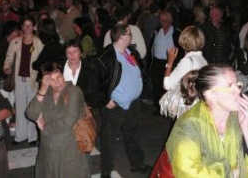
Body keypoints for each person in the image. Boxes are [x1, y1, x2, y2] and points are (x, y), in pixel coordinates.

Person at [166, 65, 248, 178]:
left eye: (237, 84)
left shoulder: (241, 117)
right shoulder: (189, 124)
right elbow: (188, 171)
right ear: (211, 94)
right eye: (229, 86)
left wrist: (246, 130)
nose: (238, 90)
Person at [90, 24, 150, 178]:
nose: (131, 36)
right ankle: (105, 172)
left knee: (132, 135)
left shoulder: (131, 52)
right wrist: (105, 102)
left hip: (133, 103)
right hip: (115, 106)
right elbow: (95, 83)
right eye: (129, 34)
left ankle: (137, 164)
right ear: (122, 37)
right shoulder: (106, 57)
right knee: (109, 140)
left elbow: (140, 71)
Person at [26, 62, 90, 178]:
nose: (57, 82)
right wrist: (43, 89)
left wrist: (44, 127)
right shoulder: (47, 93)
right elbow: (30, 113)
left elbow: (67, 121)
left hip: (69, 150)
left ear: (63, 75)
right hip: (48, 151)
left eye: (59, 76)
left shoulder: (74, 92)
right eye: (51, 80)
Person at [3, 15, 43, 145]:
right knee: (20, 107)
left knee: (32, 108)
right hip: (19, 79)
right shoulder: (15, 42)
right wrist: (7, 67)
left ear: (34, 27)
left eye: (30, 25)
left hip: (33, 79)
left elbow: (43, 62)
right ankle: (20, 136)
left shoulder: (38, 43)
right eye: (25, 25)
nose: (27, 28)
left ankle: (32, 136)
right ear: (22, 27)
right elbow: (8, 58)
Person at [163, 26, 207, 92]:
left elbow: (166, 85)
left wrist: (170, 61)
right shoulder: (203, 60)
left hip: (185, 100)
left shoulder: (188, 61)